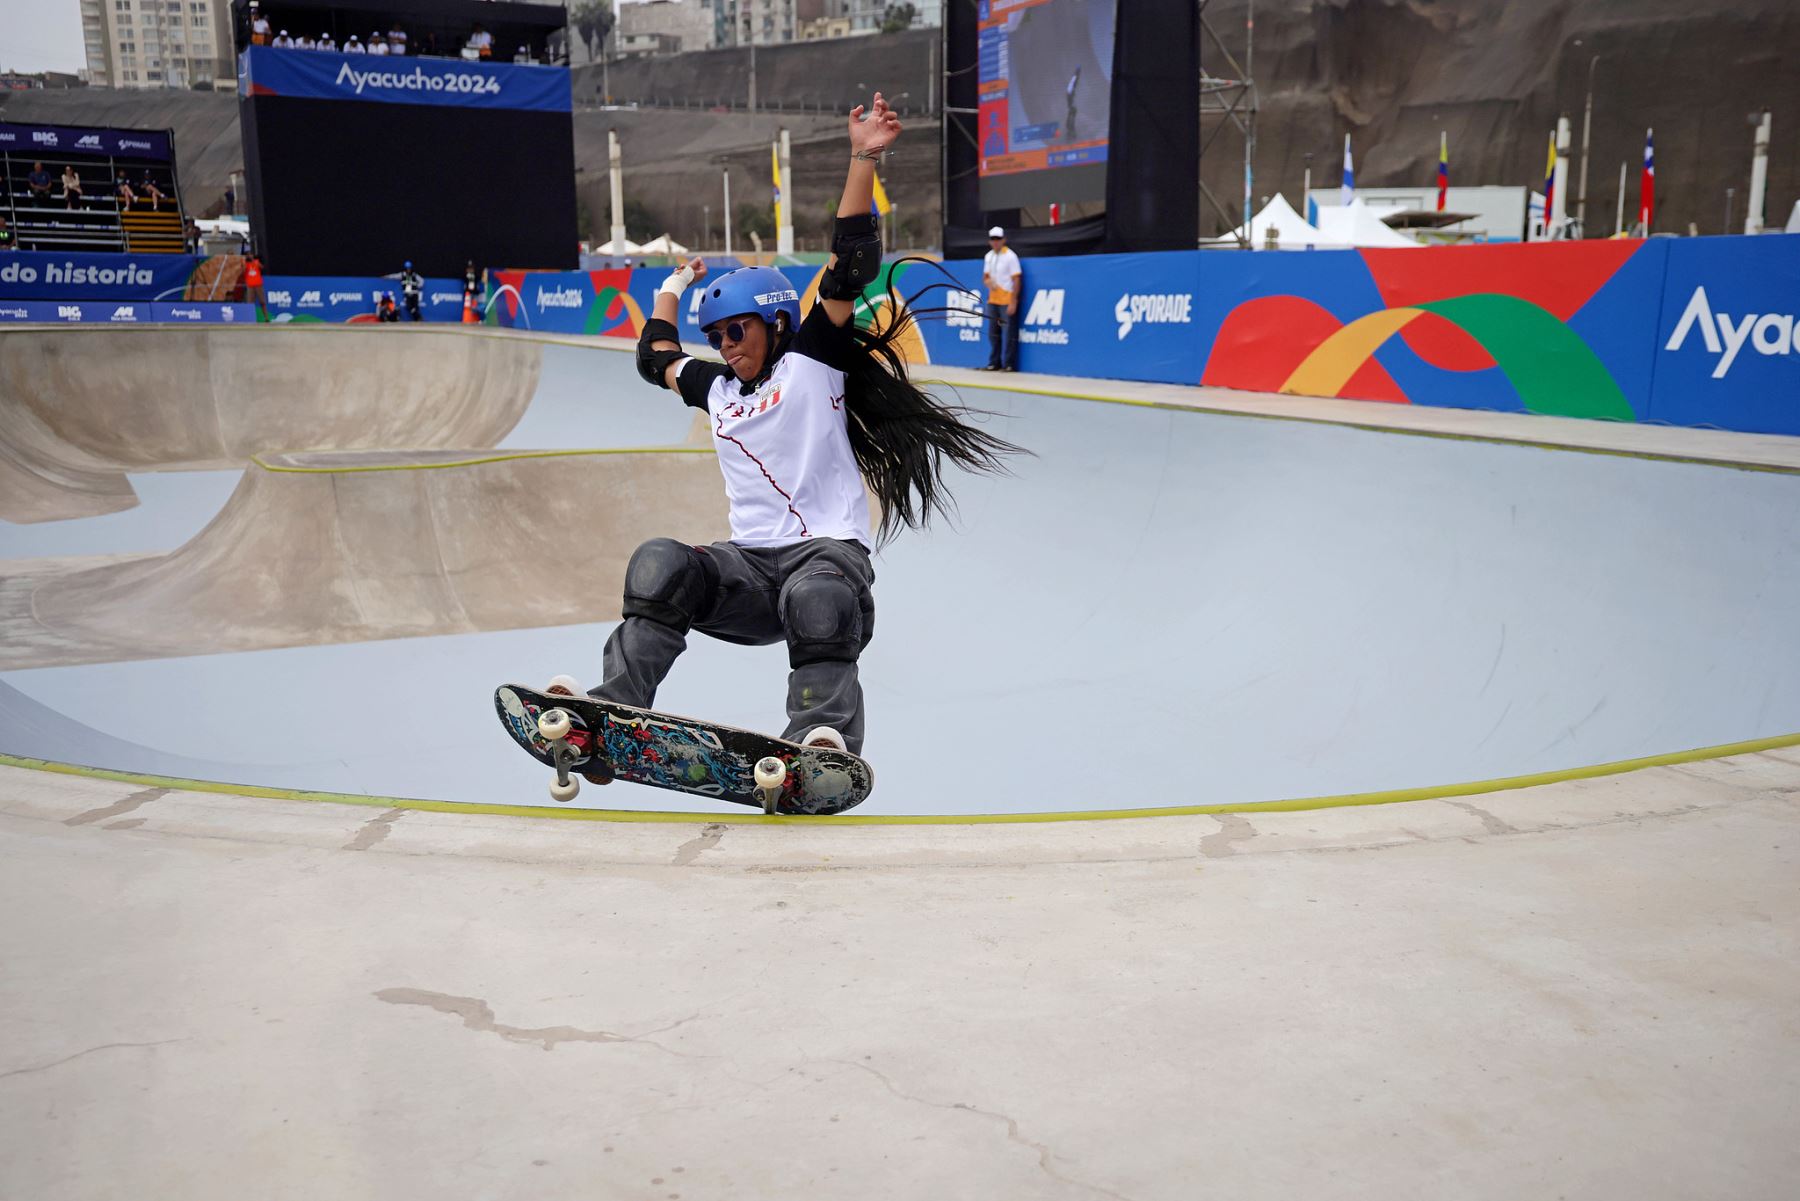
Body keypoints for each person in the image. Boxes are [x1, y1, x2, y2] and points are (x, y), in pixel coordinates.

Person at [552, 91, 1022, 779]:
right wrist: (675, 287)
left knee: (819, 601)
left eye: (736, 331)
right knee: (661, 564)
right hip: (747, 573)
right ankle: (612, 715)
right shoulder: (715, 388)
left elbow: (851, 259)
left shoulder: (811, 360)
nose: (725, 346)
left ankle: (820, 737)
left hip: (825, 560)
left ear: (773, 324)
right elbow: (653, 356)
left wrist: (863, 158)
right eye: (715, 337)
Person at [981, 226, 1022, 372]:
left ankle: (1009, 364)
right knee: (993, 333)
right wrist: (987, 282)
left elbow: (1016, 279)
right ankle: (994, 363)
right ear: (989, 241)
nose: (996, 242)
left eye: (998, 239)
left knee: (1008, 334)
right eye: (993, 239)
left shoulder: (1010, 256)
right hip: (993, 300)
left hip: (1006, 300)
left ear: (1003, 240)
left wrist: (1013, 301)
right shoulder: (988, 256)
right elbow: (985, 278)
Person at [242, 254, 267, 321]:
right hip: (250, 286)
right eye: (248, 255)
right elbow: (243, 271)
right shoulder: (245, 264)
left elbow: (262, 267)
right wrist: (244, 260)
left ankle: (266, 318)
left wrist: (253, 260)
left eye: (250, 255)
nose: (249, 256)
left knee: (262, 302)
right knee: (250, 303)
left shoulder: (256, 261)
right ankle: (250, 318)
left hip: (258, 285)